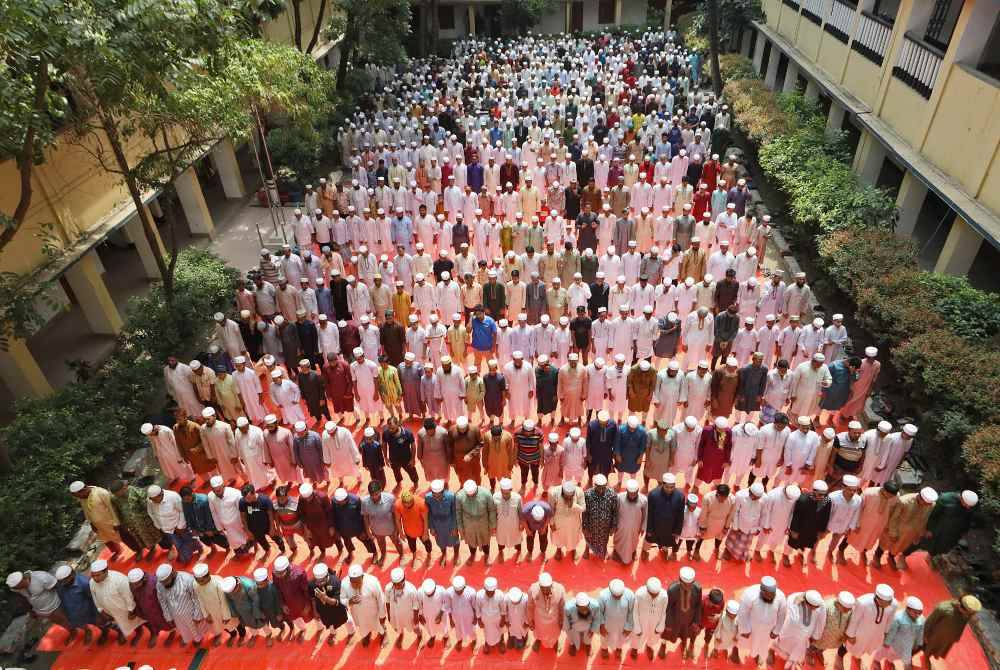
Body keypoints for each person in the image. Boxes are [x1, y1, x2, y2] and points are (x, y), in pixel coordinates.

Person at [875, 486, 937, 570]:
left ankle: (891, 556)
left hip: (910, 534)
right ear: (921, 498)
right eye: (927, 503)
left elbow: (924, 520)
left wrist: (919, 534)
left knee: (899, 547)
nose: (928, 505)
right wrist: (893, 532)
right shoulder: (904, 501)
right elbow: (894, 518)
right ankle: (877, 556)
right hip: (897, 530)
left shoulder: (930, 505)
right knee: (884, 544)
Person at [88, 560, 144, 645]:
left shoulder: (120, 580)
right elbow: (95, 597)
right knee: (120, 624)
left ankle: (140, 632)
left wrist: (131, 611)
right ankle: (124, 632)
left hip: (125, 610)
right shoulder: (92, 582)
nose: (95, 578)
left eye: (98, 575)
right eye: (93, 575)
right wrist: (101, 610)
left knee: (136, 622)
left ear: (106, 571)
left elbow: (128, 596)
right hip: (110, 612)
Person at [737, 576, 787, 668]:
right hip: (752, 628)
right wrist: (745, 629)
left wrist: (776, 631)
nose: (770, 597)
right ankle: (754, 654)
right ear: (762, 591)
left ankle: (759, 655)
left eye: (772, 594)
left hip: (768, 630)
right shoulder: (749, 594)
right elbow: (743, 613)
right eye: (768, 595)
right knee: (751, 643)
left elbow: (782, 616)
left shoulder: (780, 597)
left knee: (764, 645)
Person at [844, 584, 898, 669]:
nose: (890, 603)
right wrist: (850, 635)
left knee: (869, 647)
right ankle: (855, 658)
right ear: (879, 599)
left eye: (890, 601)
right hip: (861, 633)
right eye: (888, 602)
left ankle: (858, 657)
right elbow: (854, 620)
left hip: (877, 634)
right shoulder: (863, 602)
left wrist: (886, 633)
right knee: (857, 648)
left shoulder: (893, 604)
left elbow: (890, 620)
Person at [915, 489, 979, 557]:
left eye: (969, 506)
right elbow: (933, 514)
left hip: (952, 534)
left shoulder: (969, 508)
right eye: (966, 505)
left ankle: (931, 557)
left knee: (942, 547)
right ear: (962, 498)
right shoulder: (946, 499)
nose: (967, 507)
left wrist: (964, 531)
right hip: (938, 529)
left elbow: (967, 520)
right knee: (926, 543)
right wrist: (929, 528)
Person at [154, 564, 205, 646]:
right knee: (183, 630)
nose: (165, 584)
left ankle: (198, 639)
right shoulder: (160, 585)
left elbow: (197, 598)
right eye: (163, 582)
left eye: (167, 581)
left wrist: (197, 615)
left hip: (191, 613)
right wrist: (168, 617)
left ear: (173, 573)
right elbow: (162, 601)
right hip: (176, 616)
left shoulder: (187, 579)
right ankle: (188, 638)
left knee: (197, 629)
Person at [69, 481, 123, 559]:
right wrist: (91, 523)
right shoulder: (82, 498)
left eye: (77, 495)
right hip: (99, 526)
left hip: (111, 523)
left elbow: (112, 508)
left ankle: (135, 550)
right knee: (106, 540)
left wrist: (116, 522)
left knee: (122, 537)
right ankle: (117, 551)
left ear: (83, 490)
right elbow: (86, 511)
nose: (78, 498)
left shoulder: (101, 493)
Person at [774, 589, 826, 669]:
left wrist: (816, 636)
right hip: (789, 634)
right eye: (813, 607)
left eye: (816, 607)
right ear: (806, 603)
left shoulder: (820, 604)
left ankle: (792, 663)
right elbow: (787, 617)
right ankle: (773, 652)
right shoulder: (792, 599)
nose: (816, 609)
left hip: (803, 639)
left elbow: (821, 621)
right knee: (783, 646)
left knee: (798, 652)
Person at [923, 594, 981, 662]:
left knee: (937, 650)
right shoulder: (943, 608)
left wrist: (956, 637)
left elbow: (962, 625)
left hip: (947, 639)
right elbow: (930, 621)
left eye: (970, 614)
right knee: (925, 648)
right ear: (960, 605)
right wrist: (925, 635)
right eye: (967, 613)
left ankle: (927, 657)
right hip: (934, 636)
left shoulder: (965, 614)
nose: (968, 616)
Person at [340, 564, 386, 647]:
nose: (355, 585)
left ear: (362, 577)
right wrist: (349, 602)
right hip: (359, 615)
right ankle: (367, 636)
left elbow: (380, 599)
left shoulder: (373, 582)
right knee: (363, 628)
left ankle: (383, 635)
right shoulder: (344, 584)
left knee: (380, 627)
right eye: (352, 582)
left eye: (357, 582)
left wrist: (382, 615)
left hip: (374, 613)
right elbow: (341, 600)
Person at [664, 567, 703, 660]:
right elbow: (668, 608)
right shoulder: (672, 590)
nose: (688, 587)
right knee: (668, 634)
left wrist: (696, 621)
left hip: (689, 620)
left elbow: (698, 605)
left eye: (690, 584)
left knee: (686, 635)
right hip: (675, 620)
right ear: (680, 581)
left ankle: (684, 646)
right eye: (685, 584)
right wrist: (668, 623)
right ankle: (663, 645)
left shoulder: (697, 588)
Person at [876, 596, 924, 670]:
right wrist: (887, 643)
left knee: (899, 658)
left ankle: (889, 662)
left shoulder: (921, 619)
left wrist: (919, 643)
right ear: (908, 609)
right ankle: (880, 662)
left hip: (908, 646)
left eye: (920, 613)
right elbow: (892, 631)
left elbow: (921, 631)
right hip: (894, 644)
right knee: (888, 654)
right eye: (915, 612)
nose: (918, 615)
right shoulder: (898, 617)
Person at [362, 480, 403, 565]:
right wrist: (368, 531)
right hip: (376, 530)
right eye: (372, 495)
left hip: (391, 529)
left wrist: (397, 529)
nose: (374, 497)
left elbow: (396, 515)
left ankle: (402, 555)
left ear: (380, 490)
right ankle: (383, 555)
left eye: (376, 494)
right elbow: (365, 517)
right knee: (380, 543)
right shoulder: (365, 502)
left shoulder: (390, 498)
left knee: (397, 542)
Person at [645, 473, 685, 560]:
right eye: (667, 487)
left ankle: (664, 550)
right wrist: (649, 529)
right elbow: (649, 513)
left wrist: (677, 530)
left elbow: (680, 515)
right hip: (656, 525)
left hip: (670, 527)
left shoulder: (680, 496)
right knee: (649, 540)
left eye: (672, 487)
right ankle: (645, 551)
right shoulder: (653, 495)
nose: (669, 490)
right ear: (662, 484)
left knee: (667, 541)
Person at [456, 479, 497, 562]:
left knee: (485, 540)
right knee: (471, 541)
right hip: (468, 524)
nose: (471, 496)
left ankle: (486, 555)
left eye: (473, 494)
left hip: (483, 523)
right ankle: (472, 555)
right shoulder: (459, 496)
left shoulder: (486, 494)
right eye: (468, 495)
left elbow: (492, 510)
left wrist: (493, 525)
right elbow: (458, 512)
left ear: (476, 489)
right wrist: (460, 527)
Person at [809, 591, 855, 666]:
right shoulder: (826, 607)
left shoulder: (849, 610)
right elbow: (815, 621)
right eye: (845, 609)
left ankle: (819, 652)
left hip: (833, 639)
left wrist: (845, 636)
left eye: (849, 609)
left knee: (823, 648)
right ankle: (808, 654)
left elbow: (849, 622)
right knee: (813, 646)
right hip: (821, 636)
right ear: (838, 604)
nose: (848, 611)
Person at [207, 475, 249, 556]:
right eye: (214, 491)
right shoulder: (210, 496)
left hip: (238, 524)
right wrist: (219, 527)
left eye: (218, 490)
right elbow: (213, 512)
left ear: (224, 486)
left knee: (245, 539)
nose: (216, 493)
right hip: (227, 527)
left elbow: (242, 510)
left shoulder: (235, 494)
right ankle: (240, 553)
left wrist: (245, 524)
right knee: (234, 543)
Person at [309, 563, 349, 646]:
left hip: (338, 609)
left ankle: (351, 632)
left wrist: (325, 598)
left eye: (321, 581)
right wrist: (315, 610)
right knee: (330, 624)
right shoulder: (312, 584)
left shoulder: (336, 582)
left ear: (327, 576)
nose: (319, 583)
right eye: (317, 581)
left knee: (347, 621)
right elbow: (312, 598)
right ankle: (333, 633)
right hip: (324, 611)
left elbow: (338, 601)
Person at [724, 481, 765, 562]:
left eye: (758, 498)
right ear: (750, 491)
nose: (756, 499)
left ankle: (744, 554)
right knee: (732, 540)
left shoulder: (764, 498)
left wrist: (759, 528)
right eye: (754, 497)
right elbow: (736, 511)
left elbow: (763, 514)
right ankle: (727, 551)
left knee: (746, 544)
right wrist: (736, 526)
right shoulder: (740, 495)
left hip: (753, 526)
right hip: (739, 524)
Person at [331, 487, 377, 559]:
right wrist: (336, 529)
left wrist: (365, 530)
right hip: (343, 529)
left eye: (342, 501)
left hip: (358, 528)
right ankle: (350, 554)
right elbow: (333, 514)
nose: (340, 503)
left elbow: (364, 515)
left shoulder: (356, 500)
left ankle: (375, 553)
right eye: (338, 502)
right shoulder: (334, 501)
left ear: (346, 498)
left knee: (367, 541)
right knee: (347, 543)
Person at [582, 473, 619, 559]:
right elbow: (585, 512)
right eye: (599, 487)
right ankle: (587, 549)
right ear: (595, 485)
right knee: (589, 537)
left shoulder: (612, 495)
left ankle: (604, 550)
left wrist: (613, 525)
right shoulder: (587, 495)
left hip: (605, 526)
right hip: (592, 525)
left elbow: (615, 511)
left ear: (606, 485)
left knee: (604, 540)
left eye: (603, 487)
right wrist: (585, 526)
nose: (601, 490)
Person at [527, 572, 566, 651]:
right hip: (539, 619)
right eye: (542, 588)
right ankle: (538, 640)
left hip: (554, 618)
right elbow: (530, 607)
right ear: (539, 586)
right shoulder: (533, 589)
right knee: (539, 632)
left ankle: (556, 641)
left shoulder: (560, 589)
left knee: (554, 633)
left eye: (547, 588)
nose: (545, 590)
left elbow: (562, 606)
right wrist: (530, 620)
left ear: (551, 585)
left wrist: (562, 620)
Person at [425, 479, 460, 565]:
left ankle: (456, 554)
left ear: (443, 491)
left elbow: (455, 512)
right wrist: (431, 527)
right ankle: (444, 554)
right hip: (437, 525)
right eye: (434, 495)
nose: (436, 497)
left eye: (439, 495)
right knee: (440, 542)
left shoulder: (451, 496)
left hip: (449, 523)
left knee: (454, 540)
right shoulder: (428, 498)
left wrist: (455, 527)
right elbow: (428, 514)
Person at [612, 478, 647, 564]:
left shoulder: (644, 500)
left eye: (634, 494)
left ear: (638, 491)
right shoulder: (619, 497)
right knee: (618, 541)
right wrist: (614, 525)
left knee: (634, 541)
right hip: (620, 527)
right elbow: (614, 512)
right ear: (627, 490)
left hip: (635, 528)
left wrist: (643, 527)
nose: (632, 496)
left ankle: (633, 552)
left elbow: (646, 515)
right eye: (630, 493)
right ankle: (616, 552)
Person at [384, 568, 421, 647]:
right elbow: (387, 602)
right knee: (397, 627)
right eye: (394, 584)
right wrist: (389, 615)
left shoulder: (412, 590)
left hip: (409, 616)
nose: (396, 586)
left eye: (399, 584)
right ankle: (401, 635)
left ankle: (420, 636)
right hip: (395, 614)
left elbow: (415, 606)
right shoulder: (388, 589)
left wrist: (416, 620)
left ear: (404, 580)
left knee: (415, 629)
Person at [564, 590, 603, 656]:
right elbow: (566, 621)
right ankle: (573, 645)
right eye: (581, 608)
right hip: (574, 625)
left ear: (589, 604)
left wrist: (592, 630)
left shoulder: (595, 606)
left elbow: (597, 618)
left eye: (586, 607)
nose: (584, 611)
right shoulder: (568, 607)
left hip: (588, 624)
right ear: (576, 605)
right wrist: (569, 630)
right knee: (571, 635)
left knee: (588, 637)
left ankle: (588, 645)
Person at [494, 478, 524, 561]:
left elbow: (521, 512)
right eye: (503, 493)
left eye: (507, 493)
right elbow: (493, 513)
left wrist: (521, 524)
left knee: (517, 539)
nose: (505, 495)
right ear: (501, 490)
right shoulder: (495, 497)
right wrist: (493, 526)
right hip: (500, 525)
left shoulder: (517, 498)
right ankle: (500, 552)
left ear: (511, 489)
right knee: (500, 539)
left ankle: (519, 552)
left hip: (514, 524)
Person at [475, 576, 507, 654]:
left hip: (497, 619)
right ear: (484, 588)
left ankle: (501, 642)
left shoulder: (500, 595)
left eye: (492, 591)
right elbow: (477, 608)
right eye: (488, 591)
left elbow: (503, 609)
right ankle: (487, 643)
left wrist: (503, 619)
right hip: (485, 620)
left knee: (500, 631)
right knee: (487, 632)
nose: (490, 593)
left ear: (495, 589)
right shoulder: (479, 595)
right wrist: (479, 620)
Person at [417, 578, 451, 648]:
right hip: (427, 615)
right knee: (430, 627)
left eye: (431, 594)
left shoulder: (441, 590)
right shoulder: (420, 591)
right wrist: (420, 615)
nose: (429, 596)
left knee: (443, 628)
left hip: (441, 615)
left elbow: (446, 602)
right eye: (427, 595)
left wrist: (440, 614)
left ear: (435, 588)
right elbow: (419, 604)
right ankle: (432, 637)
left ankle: (446, 638)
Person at [482, 424, 517, 489]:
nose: (496, 438)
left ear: (501, 433)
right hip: (491, 462)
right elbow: (485, 451)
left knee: (507, 475)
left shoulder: (508, 436)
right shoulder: (487, 436)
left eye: (498, 437)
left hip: (504, 462)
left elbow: (511, 451)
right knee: (491, 476)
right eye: (494, 437)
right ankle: (492, 488)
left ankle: (508, 488)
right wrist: (485, 464)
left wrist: (511, 463)